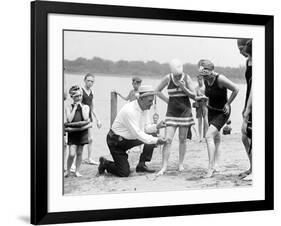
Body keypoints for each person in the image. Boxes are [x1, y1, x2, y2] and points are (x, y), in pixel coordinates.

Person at [98, 85, 167, 177]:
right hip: (116, 142)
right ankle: (105, 163)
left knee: (153, 135)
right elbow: (138, 133)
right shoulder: (129, 110)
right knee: (124, 173)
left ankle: (141, 165)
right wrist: (157, 140)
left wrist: (157, 126)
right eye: (150, 101)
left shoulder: (145, 107)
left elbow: (146, 128)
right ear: (141, 99)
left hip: (129, 139)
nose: (152, 104)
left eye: (153, 101)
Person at [155, 59, 205, 175]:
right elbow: (157, 91)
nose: (177, 77)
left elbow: (194, 96)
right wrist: (168, 100)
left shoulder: (186, 78)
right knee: (168, 140)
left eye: (179, 75)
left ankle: (180, 164)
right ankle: (164, 167)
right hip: (171, 113)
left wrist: (184, 88)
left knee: (182, 139)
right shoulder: (168, 78)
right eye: (176, 75)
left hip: (185, 113)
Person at [198, 59, 239, 178]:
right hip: (211, 110)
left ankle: (210, 168)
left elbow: (236, 89)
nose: (204, 78)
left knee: (208, 136)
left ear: (211, 72)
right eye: (202, 76)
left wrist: (228, 103)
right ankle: (216, 165)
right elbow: (207, 93)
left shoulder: (220, 79)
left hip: (222, 112)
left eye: (206, 75)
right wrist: (203, 99)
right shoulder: (205, 80)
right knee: (216, 138)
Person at [64, 85, 92, 177]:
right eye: (76, 96)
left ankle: (77, 171)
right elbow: (69, 120)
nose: (78, 98)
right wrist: (75, 108)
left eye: (80, 96)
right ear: (72, 97)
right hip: (72, 132)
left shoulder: (86, 107)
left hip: (82, 132)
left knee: (79, 153)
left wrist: (81, 107)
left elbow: (86, 118)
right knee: (72, 154)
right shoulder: (68, 107)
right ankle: (68, 170)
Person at [237, 39, 253, 180]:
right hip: (248, 100)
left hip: (254, 103)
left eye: (241, 48)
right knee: (245, 135)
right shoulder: (248, 61)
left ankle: (256, 170)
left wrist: (248, 108)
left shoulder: (258, 60)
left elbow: (255, 88)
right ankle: (253, 166)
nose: (240, 52)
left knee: (250, 135)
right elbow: (249, 86)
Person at [82, 73, 102, 165]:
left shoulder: (92, 92)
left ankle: (89, 158)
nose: (90, 83)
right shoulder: (81, 91)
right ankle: (74, 163)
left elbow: (92, 107)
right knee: (79, 141)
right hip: (81, 118)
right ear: (84, 80)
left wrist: (98, 119)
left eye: (92, 81)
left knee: (90, 139)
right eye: (88, 80)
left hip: (89, 118)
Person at [194, 75, 209, 142]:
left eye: (200, 80)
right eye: (198, 80)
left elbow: (208, 97)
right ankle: (200, 137)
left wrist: (204, 97)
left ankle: (207, 136)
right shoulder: (196, 87)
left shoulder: (205, 87)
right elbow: (195, 97)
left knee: (206, 121)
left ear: (202, 79)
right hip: (199, 104)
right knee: (199, 121)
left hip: (205, 104)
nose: (199, 81)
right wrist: (201, 97)